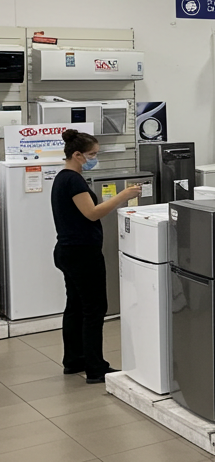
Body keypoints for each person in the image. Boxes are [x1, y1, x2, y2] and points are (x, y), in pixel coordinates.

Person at [51, 129, 141, 383]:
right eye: (92, 155)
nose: (94, 159)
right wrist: (123, 196)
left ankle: (74, 360)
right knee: (94, 309)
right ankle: (95, 368)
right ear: (77, 155)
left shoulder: (63, 178)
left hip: (68, 251)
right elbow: (91, 213)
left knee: (76, 306)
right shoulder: (74, 181)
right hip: (82, 254)